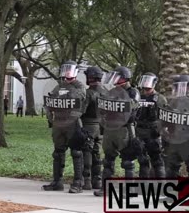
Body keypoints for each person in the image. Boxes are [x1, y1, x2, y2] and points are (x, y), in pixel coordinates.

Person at [94, 66, 140, 197]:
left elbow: (132, 106)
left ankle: (129, 190)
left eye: (118, 77)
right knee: (108, 159)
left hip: (124, 129)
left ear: (125, 78)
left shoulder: (133, 91)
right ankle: (105, 188)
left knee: (127, 160)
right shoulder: (111, 91)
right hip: (110, 128)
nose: (115, 80)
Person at [43, 60, 86, 193]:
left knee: (76, 152)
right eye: (65, 69)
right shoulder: (59, 86)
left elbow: (79, 97)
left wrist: (63, 96)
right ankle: (57, 181)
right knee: (58, 152)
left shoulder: (79, 86)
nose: (67, 73)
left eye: (70, 69)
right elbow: (50, 100)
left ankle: (78, 182)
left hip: (73, 122)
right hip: (59, 122)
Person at [160, 74, 189, 178]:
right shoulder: (172, 102)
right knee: (170, 166)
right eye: (177, 86)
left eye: (183, 86)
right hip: (172, 137)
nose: (180, 89)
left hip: (186, 138)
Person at [81, 66, 108, 190]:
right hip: (102, 127)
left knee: (87, 152)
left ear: (90, 77)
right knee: (97, 153)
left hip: (89, 125)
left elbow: (81, 110)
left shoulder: (88, 93)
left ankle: (87, 180)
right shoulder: (107, 92)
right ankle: (97, 180)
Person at [136, 73, 167, 178]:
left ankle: (161, 186)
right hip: (140, 131)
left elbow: (164, 117)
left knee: (157, 159)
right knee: (142, 159)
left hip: (153, 131)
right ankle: (142, 186)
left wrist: (160, 130)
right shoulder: (139, 96)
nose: (145, 86)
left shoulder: (159, 98)